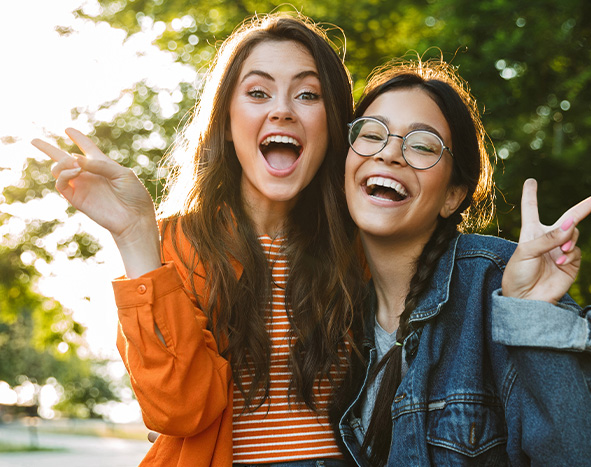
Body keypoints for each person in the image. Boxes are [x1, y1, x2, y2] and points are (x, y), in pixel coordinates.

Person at [32, 12, 366, 466]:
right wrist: (135, 236)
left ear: (333, 125)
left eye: (308, 94)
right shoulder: (175, 246)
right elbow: (179, 409)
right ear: (227, 121)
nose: (283, 108)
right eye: (258, 92)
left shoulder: (363, 250)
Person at [337, 60, 591, 466]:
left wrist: (534, 319)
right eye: (371, 135)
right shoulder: (328, 311)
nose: (389, 154)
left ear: (453, 196)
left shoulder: (503, 282)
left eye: (421, 145)